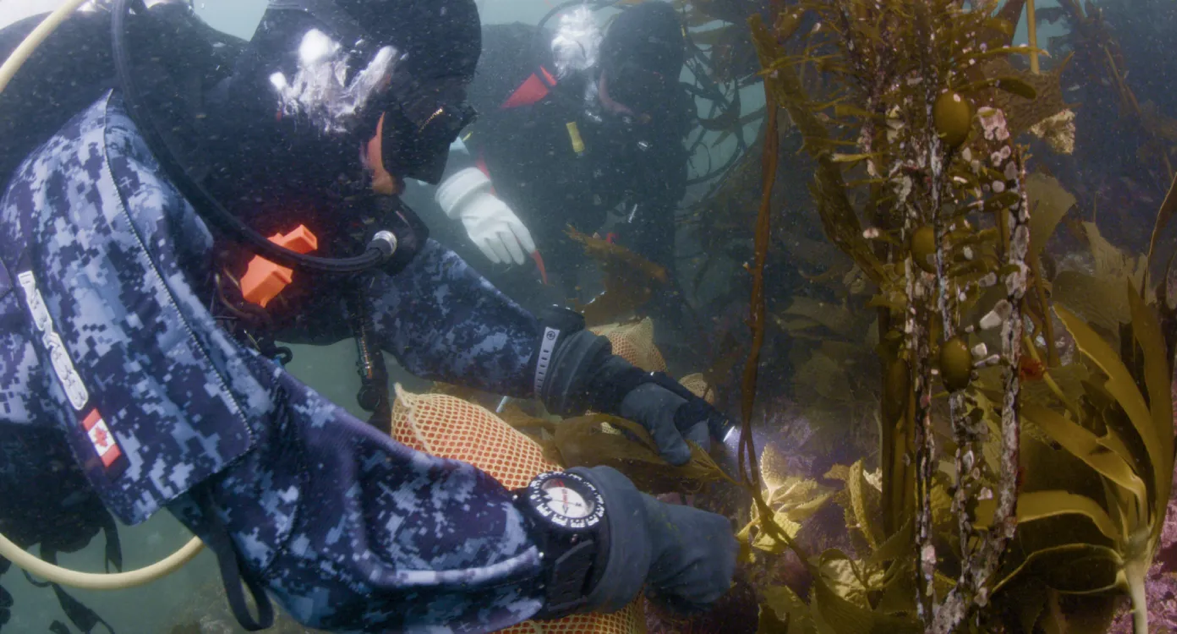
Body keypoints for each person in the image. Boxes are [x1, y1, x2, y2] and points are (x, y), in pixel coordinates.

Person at [0, 0, 737, 632]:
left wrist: (607, 380)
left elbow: (410, 294)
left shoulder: (231, 154)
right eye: (426, 129)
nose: (417, 172)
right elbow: (312, 538)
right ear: (347, 80)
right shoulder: (90, 204)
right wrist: (607, 536)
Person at [426, 1, 693, 319]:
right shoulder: (518, 59)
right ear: (605, 60)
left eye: (653, 94)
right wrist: (463, 191)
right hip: (470, 221)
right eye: (629, 85)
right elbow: (419, 97)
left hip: (556, 260)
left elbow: (656, 252)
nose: (633, 109)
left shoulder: (661, 132)